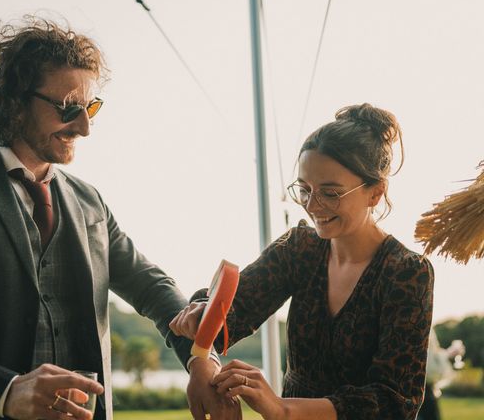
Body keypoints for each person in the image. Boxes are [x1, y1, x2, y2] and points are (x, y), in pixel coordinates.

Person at [0, 17, 235, 420]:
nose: (85, 127)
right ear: (14, 101)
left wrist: (198, 359)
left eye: (91, 108)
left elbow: (153, 288)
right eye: (69, 108)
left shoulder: (90, 201)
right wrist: (4, 392)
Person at [171, 103, 435, 419]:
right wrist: (201, 351)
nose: (312, 205)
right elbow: (233, 307)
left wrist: (282, 409)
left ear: (375, 193)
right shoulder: (300, 249)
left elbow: (393, 402)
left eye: (330, 192)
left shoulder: (406, 273)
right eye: (304, 189)